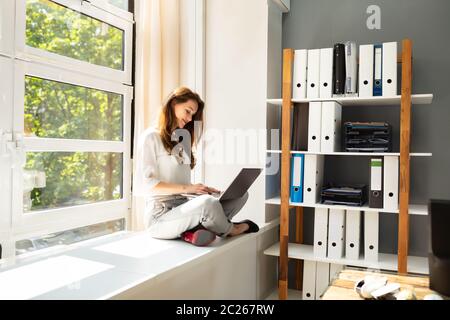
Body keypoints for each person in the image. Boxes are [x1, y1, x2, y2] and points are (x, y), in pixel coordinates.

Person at [134, 87, 259, 246]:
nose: (189, 118)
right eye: (187, 111)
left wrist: (200, 190)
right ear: (173, 104)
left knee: (240, 194)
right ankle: (231, 229)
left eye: (193, 115)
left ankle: (197, 229)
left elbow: (181, 184)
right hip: (160, 217)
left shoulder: (182, 141)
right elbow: (146, 185)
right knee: (209, 204)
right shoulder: (150, 137)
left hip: (183, 207)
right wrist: (189, 189)